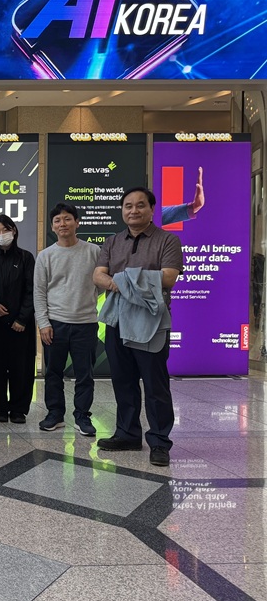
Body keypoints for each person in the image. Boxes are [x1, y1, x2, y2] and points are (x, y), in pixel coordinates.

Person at [93, 187, 183, 467]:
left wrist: (123, 281)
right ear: (122, 210)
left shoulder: (167, 240)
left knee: (155, 384)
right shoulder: (112, 241)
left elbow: (169, 277)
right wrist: (128, 282)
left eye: (140, 205)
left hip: (151, 322)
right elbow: (98, 275)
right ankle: (128, 434)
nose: (134, 210)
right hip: (117, 321)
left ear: (152, 209)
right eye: (128, 206)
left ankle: (159, 441)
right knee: (123, 380)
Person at [35, 203, 101, 436]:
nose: (62, 224)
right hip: (55, 324)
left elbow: (102, 283)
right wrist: (43, 323)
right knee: (53, 373)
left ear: (77, 222)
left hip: (86, 323)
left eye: (67, 219)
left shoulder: (94, 251)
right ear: (53, 227)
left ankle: (82, 416)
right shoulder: (46, 256)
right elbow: (39, 292)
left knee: (85, 374)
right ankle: (55, 414)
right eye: (57, 220)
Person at [0, 214, 36, 424]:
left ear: (14, 231)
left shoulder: (26, 258)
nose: (1, 234)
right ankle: (0, 407)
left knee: (22, 367)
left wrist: (22, 318)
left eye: (5, 230)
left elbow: (32, 290)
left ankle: (19, 408)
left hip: (21, 324)